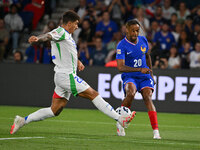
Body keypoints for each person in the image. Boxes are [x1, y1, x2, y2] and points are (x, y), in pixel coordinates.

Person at [10, 10, 135, 135]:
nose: (77, 26)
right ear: (68, 23)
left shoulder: (67, 35)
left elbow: (66, 52)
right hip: (66, 76)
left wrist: (77, 61)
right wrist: (38, 38)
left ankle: (22, 120)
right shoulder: (60, 31)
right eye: (75, 23)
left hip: (62, 76)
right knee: (93, 94)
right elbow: (48, 36)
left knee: (55, 110)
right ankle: (120, 119)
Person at [115, 19, 161, 139]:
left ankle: (156, 132)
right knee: (130, 93)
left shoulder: (143, 40)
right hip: (130, 75)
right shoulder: (122, 45)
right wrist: (139, 69)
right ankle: (120, 122)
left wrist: (151, 75)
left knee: (147, 97)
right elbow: (120, 67)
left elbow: (147, 56)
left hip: (144, 76)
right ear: (127, 30)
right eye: (133, 31)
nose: (135, 33)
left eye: (137, 31)